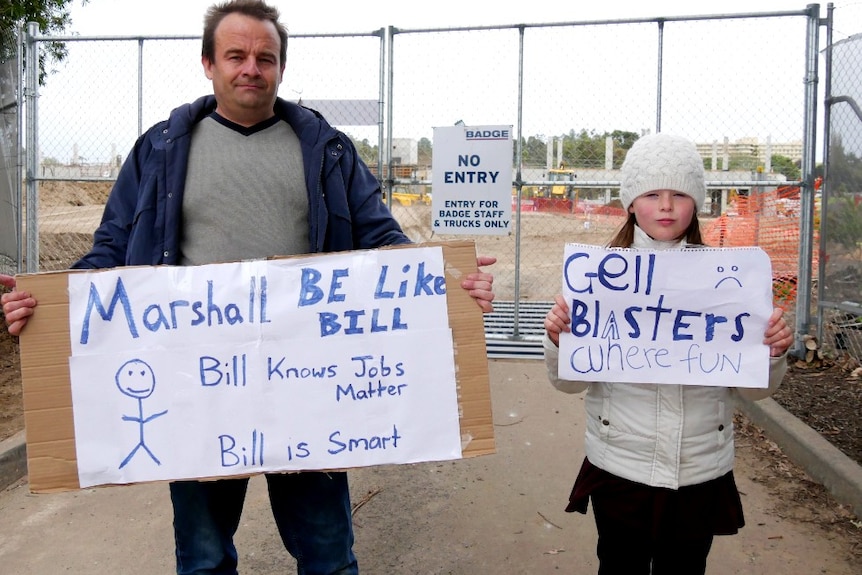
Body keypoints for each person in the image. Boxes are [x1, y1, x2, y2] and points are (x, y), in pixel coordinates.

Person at [0, 1, 495, 573]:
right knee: (204, 558)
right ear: (208, 63)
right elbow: (110, 251)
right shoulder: (158, 151)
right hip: (197, 390)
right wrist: (49, 306)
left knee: (329, 555)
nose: (251, 69)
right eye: (236, 55)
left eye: (266, 57)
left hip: (311, 384)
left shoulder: (327, 149)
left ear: (281, 68)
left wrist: (443, 283)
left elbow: (381, 238)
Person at [543, 133, 794, 575]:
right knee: (619, 566)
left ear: (696, 203)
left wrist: (771, 352)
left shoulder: (729, 284)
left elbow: (755, 391)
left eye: (679, 194)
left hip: (700, 470)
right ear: (630, 203)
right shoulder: (598, 279)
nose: (665, 205)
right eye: (652, 193)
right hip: (619, 465)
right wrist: (560, 342)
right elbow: (568, 382)